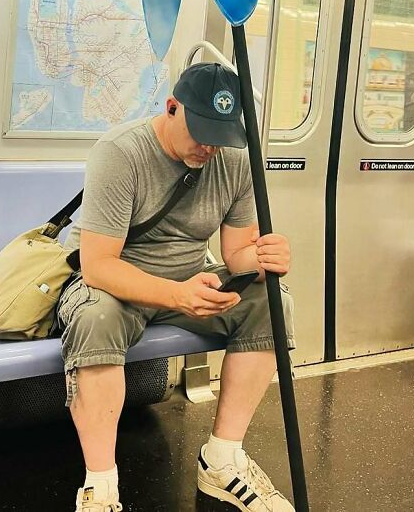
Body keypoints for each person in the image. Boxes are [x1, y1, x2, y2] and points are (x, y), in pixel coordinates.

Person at [59, 62, 296, 512]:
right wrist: (176, 294)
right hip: (118, 286)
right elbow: (98, 266)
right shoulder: (120, 153)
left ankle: (223, 460)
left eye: (220, 135)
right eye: (201, 131)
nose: (209, 146)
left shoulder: (234, 162)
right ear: (171, 108)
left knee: (271, 302)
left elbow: (237, 254)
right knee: (95, 318)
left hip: (189, 280)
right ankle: (101, 487)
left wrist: (265, 259)